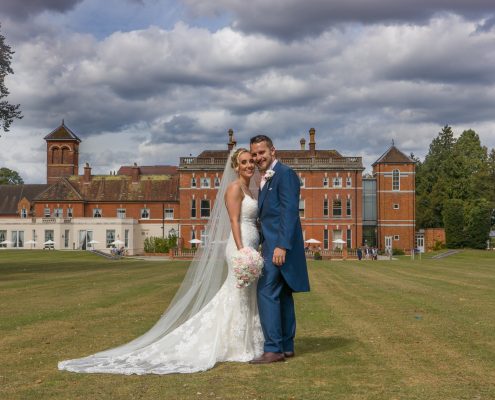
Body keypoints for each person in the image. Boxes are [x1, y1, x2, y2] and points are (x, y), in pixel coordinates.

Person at [58, 148, 264, 375]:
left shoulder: (250, 188)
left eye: (251, 161)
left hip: (250, 244)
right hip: (240, 246)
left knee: (245, 294)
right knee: (237, 293)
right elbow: (234, 221)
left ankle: (244, 343)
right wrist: (243, 250)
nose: (249, 165)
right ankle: (236, 345)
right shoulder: (234, 188)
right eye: (244, 162)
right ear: (235, 166)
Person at [249, 135, 310, 364]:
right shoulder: (267, 177)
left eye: (261, 153)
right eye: (254, 154)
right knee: (282, 295)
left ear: (273, 150)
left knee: (266, 292)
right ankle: (286, 346)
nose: (257, 158)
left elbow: (289, 212)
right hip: (272, 246)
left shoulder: (284, 174)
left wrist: (281, 246)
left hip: (278, 248)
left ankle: (273, 349)